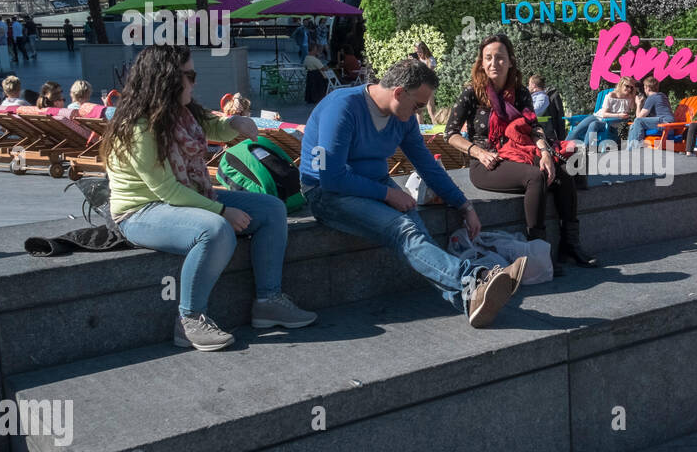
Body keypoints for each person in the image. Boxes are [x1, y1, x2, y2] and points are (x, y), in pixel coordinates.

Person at [105, 44, 315, 351]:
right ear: (166, 79)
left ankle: (269, 302)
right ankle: (189, 320)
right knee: (215, 230)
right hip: (140, 211)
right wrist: (221, 210)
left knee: (271, 209)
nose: (195, 80)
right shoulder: (140, 128)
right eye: (189, 75)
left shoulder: (180, 111)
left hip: (185, 196)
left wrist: (235, 124)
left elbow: (212, 126)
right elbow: (166, 191)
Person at [303, 57, 527, 327]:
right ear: (398, 92)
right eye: (418, 105)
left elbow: (427, 166)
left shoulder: (403, 118)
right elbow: (331, 177)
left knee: (415, 230)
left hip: (371, 185)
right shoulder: (341, 108)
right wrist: (388, 195)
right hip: (326, 193)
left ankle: (469, 301)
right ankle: (475, 279)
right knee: (403, 229)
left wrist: (463, 205)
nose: (419, 111)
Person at [447, 34, 597, 272]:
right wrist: (478, 153)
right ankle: (537, 251)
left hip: (520, 153)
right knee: (535, 177)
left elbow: (534, 127)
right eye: (488, 58)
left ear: (510, 62)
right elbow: (451, 134)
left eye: (499, 57)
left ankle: (570, 244)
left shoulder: (520, 93)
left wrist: (546, 153)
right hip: (488, 163)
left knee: (563, 175)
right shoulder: (472, 93)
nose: (493, 63)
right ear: (481, 62)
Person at [567, 76, 638, 147]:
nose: (629, 89)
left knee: (594, 124)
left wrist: (634, 95)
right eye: (627, 86)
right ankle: (562, 147)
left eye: (631, 87)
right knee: (577, 130)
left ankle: (585, 148)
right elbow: (604, 114)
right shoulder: (612, 95)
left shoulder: (630, 98)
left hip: (609, 123)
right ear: (621, 84)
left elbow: (631, 112)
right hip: (598, 117)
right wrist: (619, 115)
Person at [626, 76, 674, 149]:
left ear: (647, 88)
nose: (644, 90)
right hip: (670, 126)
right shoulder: (662, 96)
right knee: (633, 125)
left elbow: (639, 117)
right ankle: (630, 149)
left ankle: (632, 149)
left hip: (664, 124)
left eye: (644, 88)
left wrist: (638, 104)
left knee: (638, 121)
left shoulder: (652, 97)